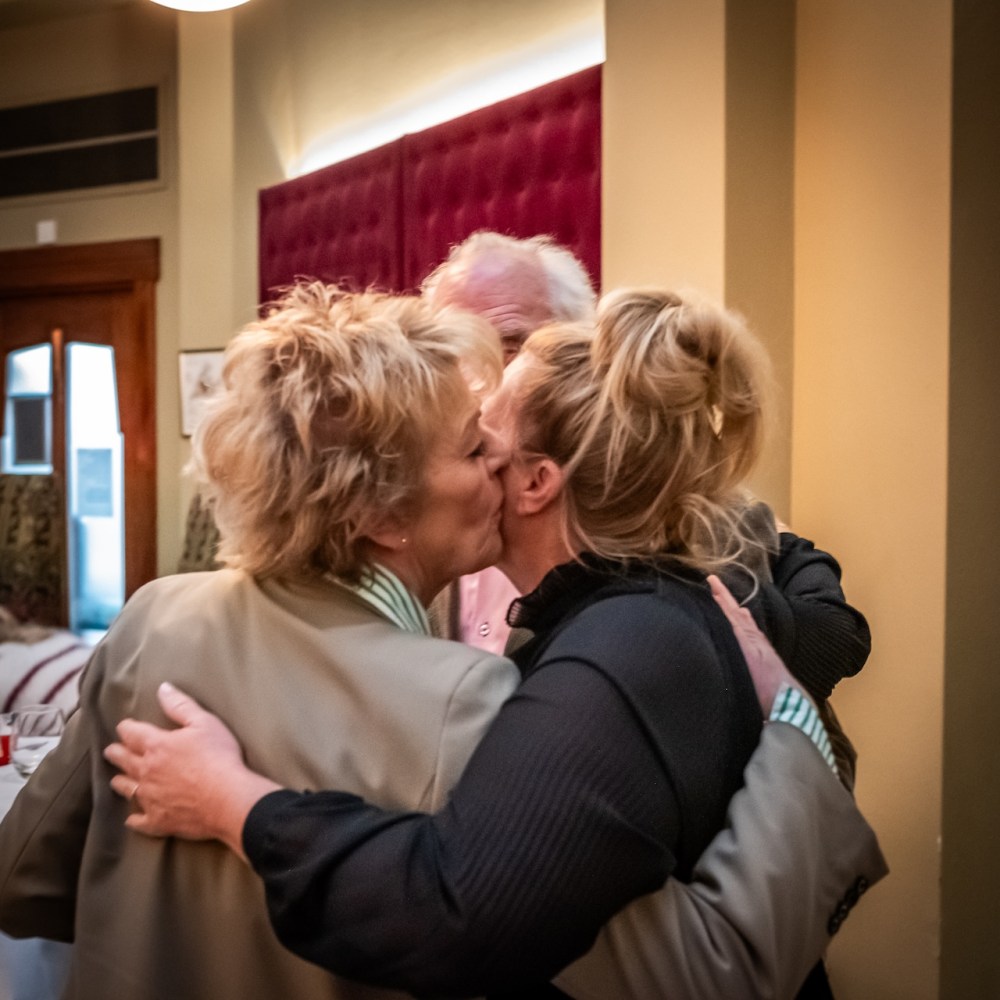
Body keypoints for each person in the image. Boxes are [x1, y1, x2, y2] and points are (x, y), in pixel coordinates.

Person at [102, 288, 885, 998]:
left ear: (537, 481)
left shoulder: (621, 644)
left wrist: (236, 805)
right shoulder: (621, 616)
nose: (477, 446)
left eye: (484, 443)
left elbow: (464, 913)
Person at [0, 284, 521, 999]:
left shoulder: (154, 618)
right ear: (379, 513)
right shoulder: (464, 700)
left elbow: (21, 880)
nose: (502, 455)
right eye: (473, 445)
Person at [422, 231, 597, 654]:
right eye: (453, 356)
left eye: (510, 349)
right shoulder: (414, 509)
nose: (475, 384)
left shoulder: (641, 501)